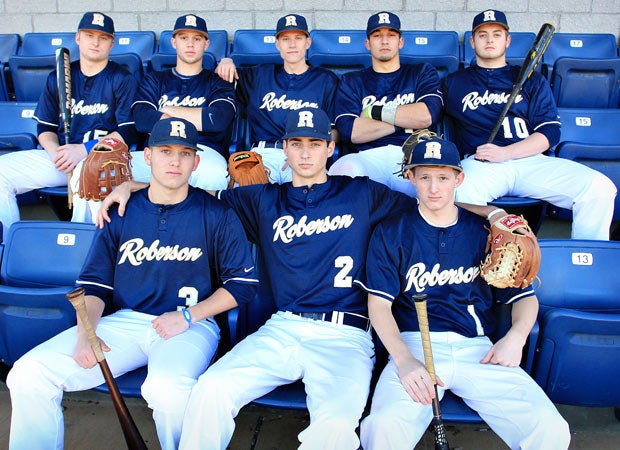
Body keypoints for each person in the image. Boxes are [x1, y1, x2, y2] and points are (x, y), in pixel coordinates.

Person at [98, 108, 505, 449]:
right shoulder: (260, 199)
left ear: (331, 148)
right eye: (297, 144)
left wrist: (492, 214)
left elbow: (433, 204)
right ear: (285, 150)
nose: (306, 153)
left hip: (346, 337)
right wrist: (135, 185)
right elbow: (186, 196)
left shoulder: (363, 193)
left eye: (315, 143)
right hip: (282, 328)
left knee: (333, 429)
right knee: (212, 390)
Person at [6, 118, 259, 450]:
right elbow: (95, 286)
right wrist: (86, 334)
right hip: (126, 321)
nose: (174, 161)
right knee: (28, 374)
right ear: (148, 156)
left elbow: (242, 284)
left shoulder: (216, 212)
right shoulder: (121, 210)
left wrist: (188, 317)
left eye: (184, 153)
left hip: (192, 324)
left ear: (196, 162)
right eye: (165, 151)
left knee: (167, 390)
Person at [358, 136, 571, 449]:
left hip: (478, 350)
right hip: (415, 346)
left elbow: (524, 298)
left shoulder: (486, 232)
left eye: (443, 178)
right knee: (382, 428)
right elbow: (378, 306)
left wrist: (515, 338)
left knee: (550, 428)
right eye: (425, 177)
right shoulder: (392, 231)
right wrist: (403, 360)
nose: (434, 188)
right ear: (411, 177)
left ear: (459, 178)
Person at [442, 9, 616, 240]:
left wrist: (506, 152)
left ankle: (588, 260)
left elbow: (550, 131)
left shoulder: (531, 79)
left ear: (507, 40)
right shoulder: (454, 83)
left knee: (599, 187)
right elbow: (429, 114)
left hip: (530, 160)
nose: (490, 39)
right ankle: (470, 263)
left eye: (497, 34)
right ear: (472, 42)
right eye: (483, 35)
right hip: (482, 164)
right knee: (455, 192)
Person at [0, 11, 139, 237]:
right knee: (1, 170)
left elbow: (128, 132)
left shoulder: (122, 79)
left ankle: (81, 248)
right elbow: (45, 128)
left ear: (112, 43)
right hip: (62, 157)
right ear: (78, 37)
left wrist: (84, 150)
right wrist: (57, 154)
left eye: (103, 37)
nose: (95, 42)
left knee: (91, 171)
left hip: (100, 158)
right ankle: (6, 243)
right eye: (89, 35)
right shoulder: (60, 75)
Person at [328, 11, 443, 197]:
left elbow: (427, 116)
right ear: (368, 44)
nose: (384, 41)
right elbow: (350, 131)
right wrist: (406, 119)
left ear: (401, 42)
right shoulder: (352, 80)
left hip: (413, 156)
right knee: (342, 170)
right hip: (367, 157)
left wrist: (372, 112)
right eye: (377, 35)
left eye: (391, 35)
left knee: (439, 184)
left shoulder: (421, 72)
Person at [215, 13, 339, 184]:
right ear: (277, 44)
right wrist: (225, 61)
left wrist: (305, 152)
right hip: (265, 154)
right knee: (245, 187)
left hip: (306, 152)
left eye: (298, 38)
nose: (292, 44)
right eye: (286, 39)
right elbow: (221, 81)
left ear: (308, 43)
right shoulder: (259, 75)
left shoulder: (326, 79)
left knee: (319, 195)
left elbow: (334, 130)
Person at [130, 14, 235, 192]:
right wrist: (196, 118)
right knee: (107, 171)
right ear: (173, 42)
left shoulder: (218, 81)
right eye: (183, 38)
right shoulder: (154, 80)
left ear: (206, 44)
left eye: (197, 38)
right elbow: (141, 118)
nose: (190, 44)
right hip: (158, 149)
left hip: (202, 151)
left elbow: (217, 119)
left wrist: (167, 110)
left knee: (215, 175)